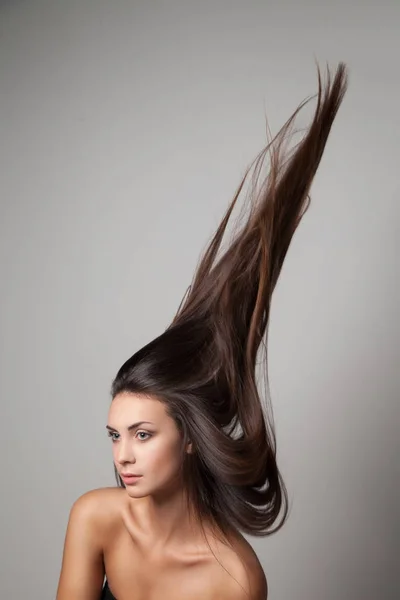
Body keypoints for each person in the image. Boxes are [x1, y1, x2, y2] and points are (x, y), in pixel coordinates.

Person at [56, 62, 348, 600]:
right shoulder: (96, 518)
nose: (122, 456)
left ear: (190, 438)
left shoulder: (235, 577)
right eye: (116, 436)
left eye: (143, 435)